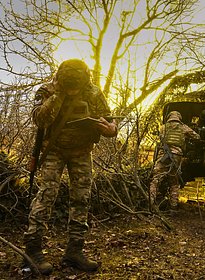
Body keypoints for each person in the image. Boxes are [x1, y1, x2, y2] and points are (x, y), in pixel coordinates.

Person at [24, 59, 117, 275]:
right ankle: (33, 251)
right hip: (53, 150)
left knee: (81, 199)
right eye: (70, 86)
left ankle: (74, 251)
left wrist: (111, 130)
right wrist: (58, 96)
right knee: (46, 196)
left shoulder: (93, 92)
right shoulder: (48, 90)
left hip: (83, 152)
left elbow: (109, 120)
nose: (74, 90)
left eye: (77, 87)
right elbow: (39, 120)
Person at [149, 111, 200, 210]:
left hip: (163, 155)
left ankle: (150, 204)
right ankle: (173, 206)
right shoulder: (183, 127)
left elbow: (160, 138)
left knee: (155, 179)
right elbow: (197, 136)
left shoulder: (163, 127)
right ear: (179, 118)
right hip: (176, 155)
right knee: (174, 181)